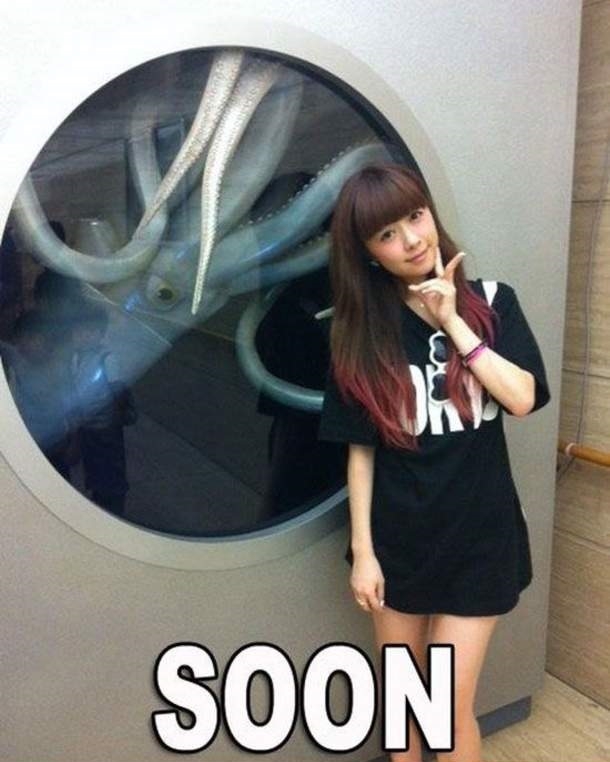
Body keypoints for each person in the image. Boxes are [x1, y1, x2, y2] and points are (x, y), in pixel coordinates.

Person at [318, 163, 550, 762]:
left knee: (444, 708)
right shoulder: (361, 334)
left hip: (480, 540)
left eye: (415, 217)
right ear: (368, 253)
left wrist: (452, 321)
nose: (412, 240)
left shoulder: (493, 303)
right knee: (405, 702)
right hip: (398, 544)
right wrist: (364, 553)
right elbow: (360, 451)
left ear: (431, 214)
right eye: (387, 234)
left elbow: (522, 399)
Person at [70, 302, 136, 517]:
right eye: (80, 330)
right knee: (94, 467)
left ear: (101, 333)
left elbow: (118, 392)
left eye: (92, 331)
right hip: (88, 426)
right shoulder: (76, 358)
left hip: (106, 429)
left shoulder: (107, 358)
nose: (85, 336)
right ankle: (100, 501)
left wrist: (112, 420)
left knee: (111, 469)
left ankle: (113, 508)